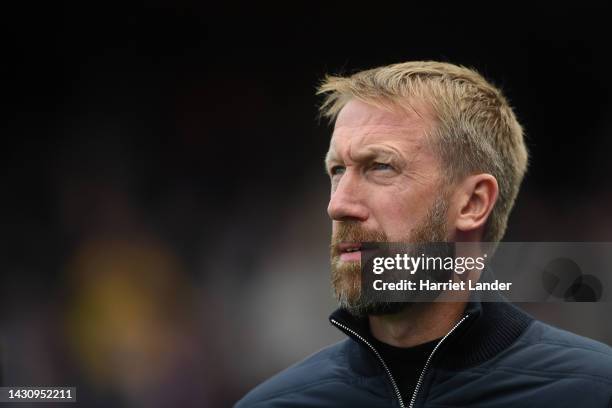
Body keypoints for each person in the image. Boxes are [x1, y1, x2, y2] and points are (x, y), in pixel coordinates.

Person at [235, 61, 612, 407]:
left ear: (473, 203)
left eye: (380, 166)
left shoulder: (592, 391)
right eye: (337, 171)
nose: (338, 205)